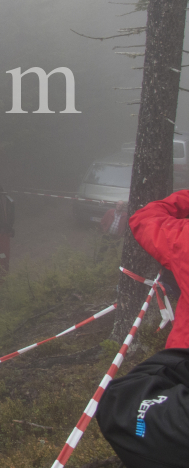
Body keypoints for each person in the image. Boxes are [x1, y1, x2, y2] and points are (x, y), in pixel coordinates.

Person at [95, 190, 189, 467]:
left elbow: (145, 218)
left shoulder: (183, 238)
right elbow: (109, 228)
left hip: (182, 361)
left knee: (123, 403)